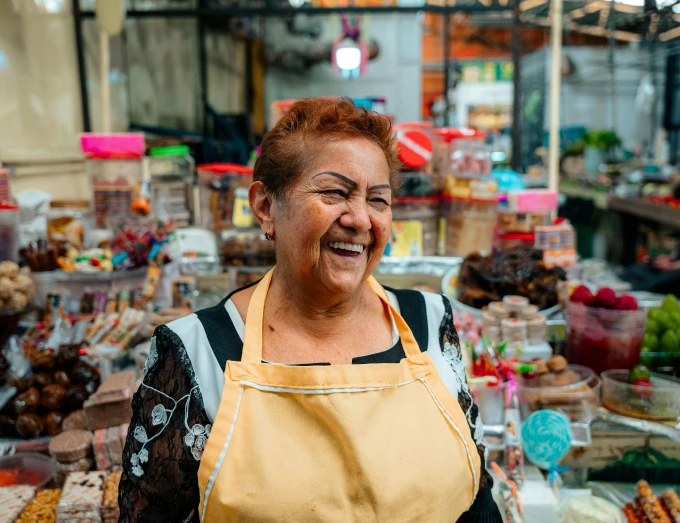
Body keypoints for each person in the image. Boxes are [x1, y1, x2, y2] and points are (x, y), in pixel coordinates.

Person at [119, 97, 503, 523]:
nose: (360, 219)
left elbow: (478, 504)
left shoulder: (431, 323)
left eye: (378, 200)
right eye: (334, 192)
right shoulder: (197, 354)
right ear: (265, 207)